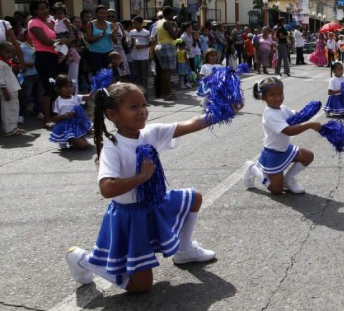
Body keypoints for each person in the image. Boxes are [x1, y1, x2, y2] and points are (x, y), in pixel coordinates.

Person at [65, 83, 240, 293]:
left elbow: (192, 124)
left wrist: (226, 109)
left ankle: (184, 251)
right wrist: (140, 177)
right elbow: (107, 188)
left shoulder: (151, 132)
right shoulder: (112, 147)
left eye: (144, 104)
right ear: (113, 114)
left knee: (194, 198)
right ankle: (84, 260)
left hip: (154, 203)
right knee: (141, 287)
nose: (142, 111)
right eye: (133, 107)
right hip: (131, 217)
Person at [242, 77, 321, 194]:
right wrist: (309, 125)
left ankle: (288, 179)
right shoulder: (270, 115)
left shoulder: (283, 108)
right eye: (272, 95)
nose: (278, 98)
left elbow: (295, 117)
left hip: (285, 149)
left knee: (308, 156)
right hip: (273, 154)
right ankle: (252, 168)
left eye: (280, 93)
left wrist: (307, 111)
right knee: (276, 190)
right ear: (263, 97)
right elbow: (288, 131)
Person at [28, 0, 68, 129]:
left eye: (45, 7)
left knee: (59, 87)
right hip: (44, 57)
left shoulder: (51, 20)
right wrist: (61, 41)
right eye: (40, 9)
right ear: (34, 10)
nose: (44, 11)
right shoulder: (33, 23)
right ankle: (46, 119)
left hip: (57, 56)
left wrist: (67, 39)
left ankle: (56, 115)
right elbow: (45, 41)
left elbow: (64, 33)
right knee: (49, 88)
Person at [48, 74, 92, 149]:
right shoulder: (57, 101)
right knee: (83, 146)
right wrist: (66, 116)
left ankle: (75, 139)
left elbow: (89, 96)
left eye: (71, 86)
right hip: (66, 126)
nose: (69, 89)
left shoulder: (76, 97)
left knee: (88, 142)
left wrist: (97, 85)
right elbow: (53, 118)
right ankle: (69, 139)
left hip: (77, 123)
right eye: (66, 87)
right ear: (58, 89)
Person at [0, 42, 26, 136]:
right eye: (7, 52)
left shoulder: (7, 62)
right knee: (7, 110)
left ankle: (14, 127)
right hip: (7, 90)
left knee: (14, 108)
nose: (10, 54)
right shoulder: (0, 63)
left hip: (13, 89)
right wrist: (5, 92)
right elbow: (1, 79)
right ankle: (8, 129)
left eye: (11, 52)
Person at [18, 31, 43, 125]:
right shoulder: (22, 47)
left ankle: (39, 111)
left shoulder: (38, 45)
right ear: (25, 36)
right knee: (26, 95)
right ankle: (21, 114)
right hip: (27, 74)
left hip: (38, 73)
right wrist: (25, 64)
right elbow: (17, 59)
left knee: (38, 94)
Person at [154, 6, 179, 100]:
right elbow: (174, 36)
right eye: (172, 14)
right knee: (167, 73)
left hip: (159, 46)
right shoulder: (167, 22)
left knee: (164, 71)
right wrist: (176, 27)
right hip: (167, 46)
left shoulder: (159, 22)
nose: (172, 16)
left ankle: (163, 93)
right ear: (169, 14)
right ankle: (167, 94)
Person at [86, 5, 118, 74]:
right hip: (95, 53)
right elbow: (89, 40)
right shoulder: (90, 24)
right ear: (96, 13)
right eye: (101, 13)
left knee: (109, 74)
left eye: (105, 13)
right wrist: (100, 35)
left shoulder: (111, 25)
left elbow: (115, 41)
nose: (103, 15)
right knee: (97, 74)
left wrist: (113, 35)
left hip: (108, 53)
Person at [129, 16, 151, 92]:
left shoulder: (146, 33)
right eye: (134, 24)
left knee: (144, 77)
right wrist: (130, 43)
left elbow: (150, 44)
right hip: (135, 57)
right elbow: (130, 45)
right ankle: (139, 94)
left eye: (136, 24)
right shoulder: (132, 32)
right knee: (137, 77)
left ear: (141, 23)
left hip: (144, 57)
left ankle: (145, 95)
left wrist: (141, 46)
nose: (134, 25)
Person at [106, 9, 130, 81]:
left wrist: (126, 40)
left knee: (123, 71)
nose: (111, 18)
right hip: (111, 49)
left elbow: (124, 37)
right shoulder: (105, 25)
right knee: (113, 71)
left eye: (113, 16)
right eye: (109, 16)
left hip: (121, 50)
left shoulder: (119, 24)